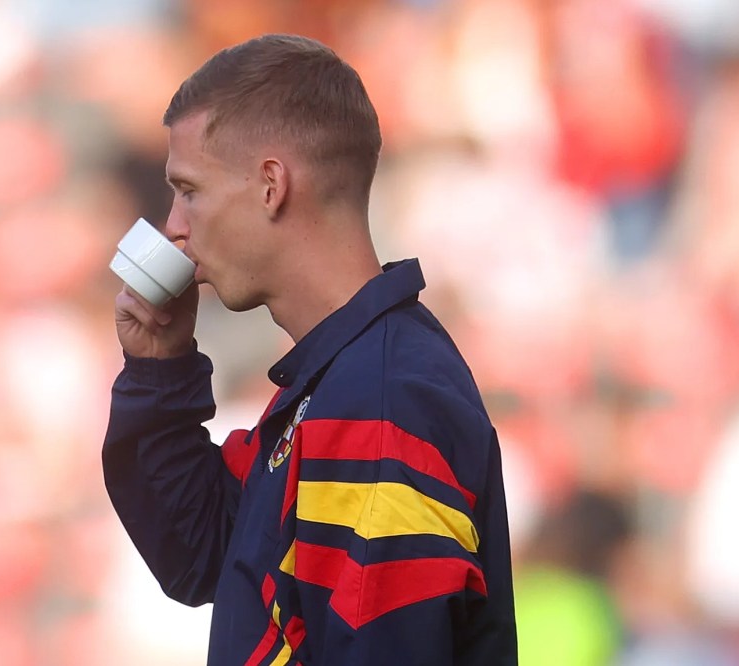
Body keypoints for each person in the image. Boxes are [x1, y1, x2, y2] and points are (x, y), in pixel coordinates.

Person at [103, 33, 518, 665]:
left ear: (271, 185)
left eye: (189, 190)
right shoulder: (338, 378)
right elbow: (203, 553)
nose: (174, 227)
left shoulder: (380, 401)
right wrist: (159, 369)